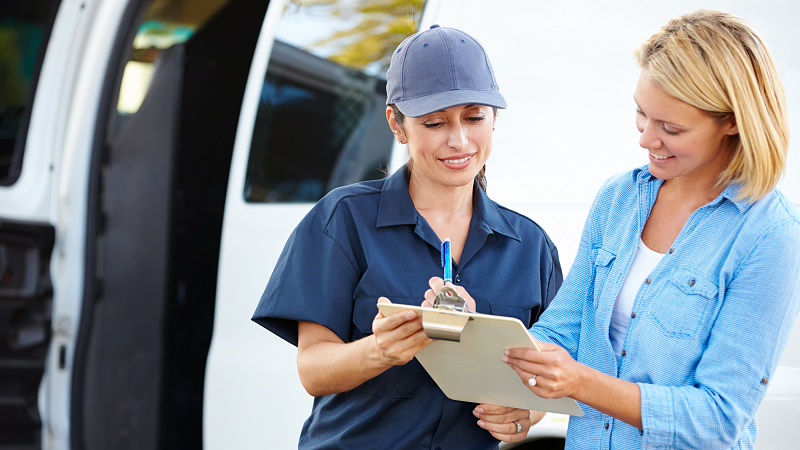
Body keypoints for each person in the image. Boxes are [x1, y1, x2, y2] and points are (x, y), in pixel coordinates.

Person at [427, 9, 800, 449]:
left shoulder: (770, 236)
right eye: (642, 114)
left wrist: (579, 383)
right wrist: (494, 348)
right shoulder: (620, 198)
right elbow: (563, 332)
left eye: (672, 128)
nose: (646, 138)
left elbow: (719, 420)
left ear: (733, 121)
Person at [252, 25, 563, 449]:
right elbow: (312, 369)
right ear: (396, 124)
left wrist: (523, 412)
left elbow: (550, 373)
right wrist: (381, 349)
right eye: (434, 122)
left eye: (474, 117)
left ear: (495, 118)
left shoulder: (531, 248)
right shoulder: (344, 219)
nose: (459, 140)